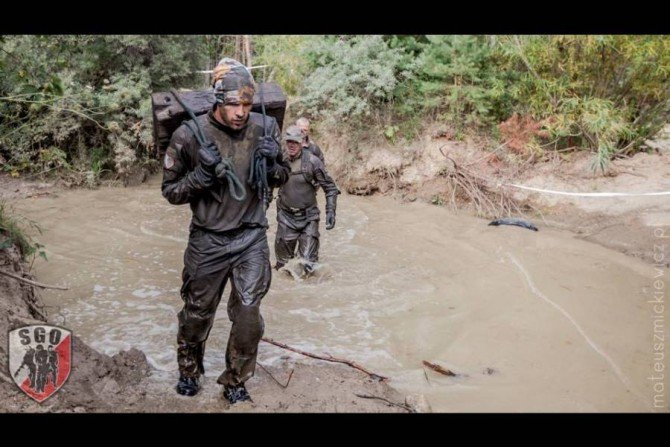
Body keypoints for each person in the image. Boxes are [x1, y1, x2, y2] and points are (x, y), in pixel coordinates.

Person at [161, 57, 290, 403]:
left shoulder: (265, 128)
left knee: (249, 312)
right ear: (219, 101)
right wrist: (202, 177)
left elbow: (283, 177)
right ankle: (189, 372)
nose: (241, 112)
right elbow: (170, 192)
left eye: (247, 104)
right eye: (234, 103)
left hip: (251, 235)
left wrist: (273, 162)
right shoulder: (189, 134)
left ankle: (235, 380)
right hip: (208, 239)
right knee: (196, 313)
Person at [274, 125, 340, 275]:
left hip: (308, 218)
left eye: (295, 142)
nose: (291, 145)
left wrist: (331, 212)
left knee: (308, 267)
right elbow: (266, 185)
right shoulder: (279, 160)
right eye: (288, 141)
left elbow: (330, 188)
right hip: (285, 217)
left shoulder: (313, 162)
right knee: (282, 269)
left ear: (302, 142)